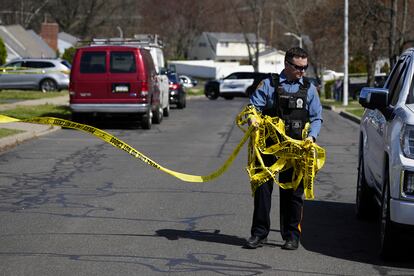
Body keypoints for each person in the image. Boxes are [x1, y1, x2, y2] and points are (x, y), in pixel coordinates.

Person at [246, 47, 323, 250]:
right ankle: (259, 234)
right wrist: (253, 117)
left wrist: (312, 137)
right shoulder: (268, 84)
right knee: (262, 191)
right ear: (287, 65)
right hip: (268, 148)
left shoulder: (309, 88)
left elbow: (316, 118)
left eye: (305, 67)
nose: (302, 72)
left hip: (295, 150)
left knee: (293, 194)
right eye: (298, 67)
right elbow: (254, 107)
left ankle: (291, 236)